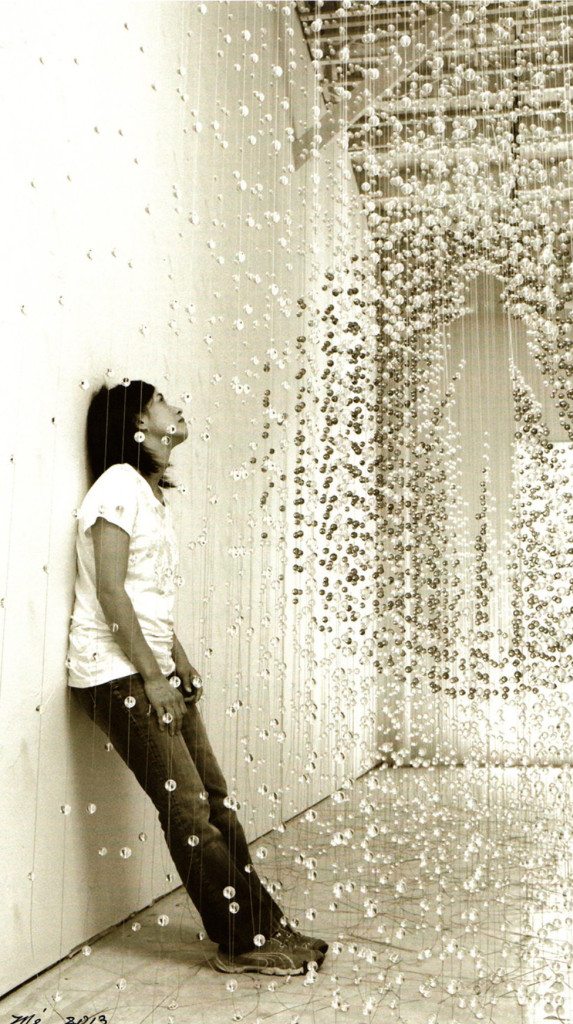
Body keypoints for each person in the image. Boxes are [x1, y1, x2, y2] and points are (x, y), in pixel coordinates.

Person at [67, 379, 327, 975]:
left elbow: (144, 596)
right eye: (160, 400)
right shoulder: (117, 484)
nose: (175, 406)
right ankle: (241, 942)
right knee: (187, 807)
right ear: (138, 424)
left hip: (147, 668)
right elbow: (109, 592)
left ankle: (264, 926)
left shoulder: (147, 493)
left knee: (214, 801)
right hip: (115, 674)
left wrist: (176, 659)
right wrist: (154, 678)